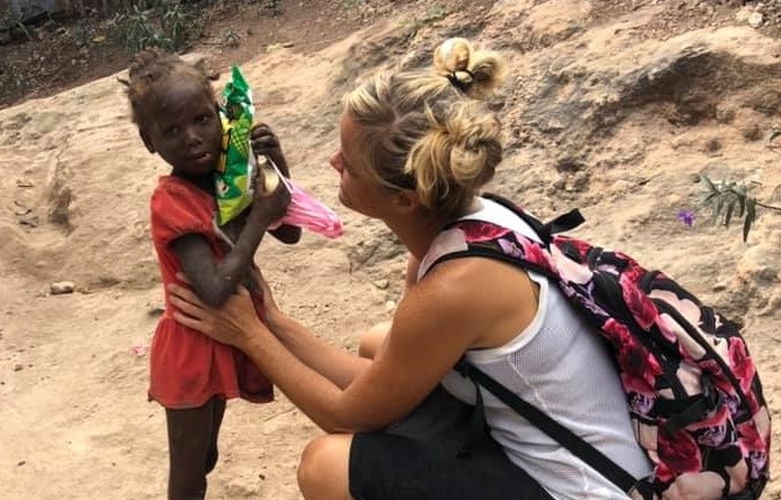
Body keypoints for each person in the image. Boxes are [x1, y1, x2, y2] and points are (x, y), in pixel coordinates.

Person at [167, 37, 653, 500]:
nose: (334, 162)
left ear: (404, 196)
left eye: (350, 165)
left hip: (581, 488)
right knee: (381, 343)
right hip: (574, 438)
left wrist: (250, 336)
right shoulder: (474, 221)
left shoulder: (452, 290)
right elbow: (379, 382)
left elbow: (346, 414)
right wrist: (272, 320)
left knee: (326, 464)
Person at [121, 49, 301, 500]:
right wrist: (258, 218)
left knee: (205, 457)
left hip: (223, 338)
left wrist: (276, 167)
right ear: (149, 141)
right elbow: (215, 289)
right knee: (188, 474)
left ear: (222, 114)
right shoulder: (172, 201)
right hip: (191, 348)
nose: (193, 139)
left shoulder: (228, 177)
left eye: (202, 120)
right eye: (172, 131)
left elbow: (291, 233)